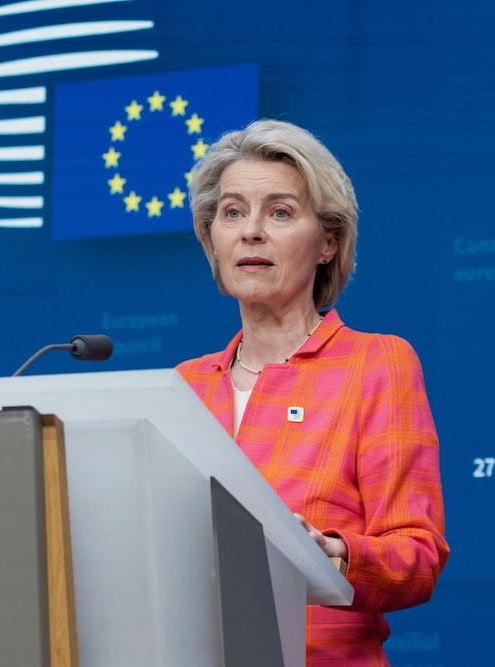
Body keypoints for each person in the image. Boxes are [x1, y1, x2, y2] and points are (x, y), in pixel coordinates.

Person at [176, 119, 449, 665]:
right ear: (212, 238)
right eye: (232, 213)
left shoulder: (376, 364)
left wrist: (332, 554)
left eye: (280, 212)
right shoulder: (185, 386)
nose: (251, 232)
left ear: (328, 242)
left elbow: (417, 555)